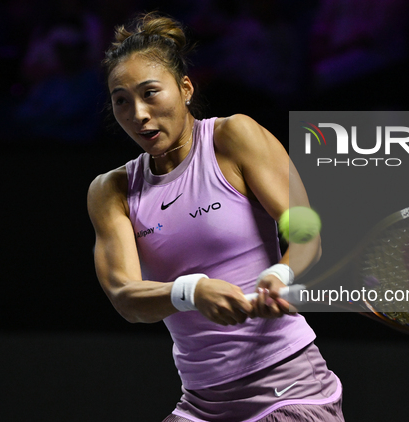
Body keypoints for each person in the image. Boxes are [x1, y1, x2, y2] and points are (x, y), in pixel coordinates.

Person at [87, 12, 344, 422]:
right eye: (122, 100)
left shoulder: (233, 137)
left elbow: (307, 230)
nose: (138, 113)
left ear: (185, 88)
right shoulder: (111, 191)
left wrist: (281, 275)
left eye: (150, 93)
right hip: (201, 404)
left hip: (288, 390)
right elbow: (125, 297)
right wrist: (191, 291)